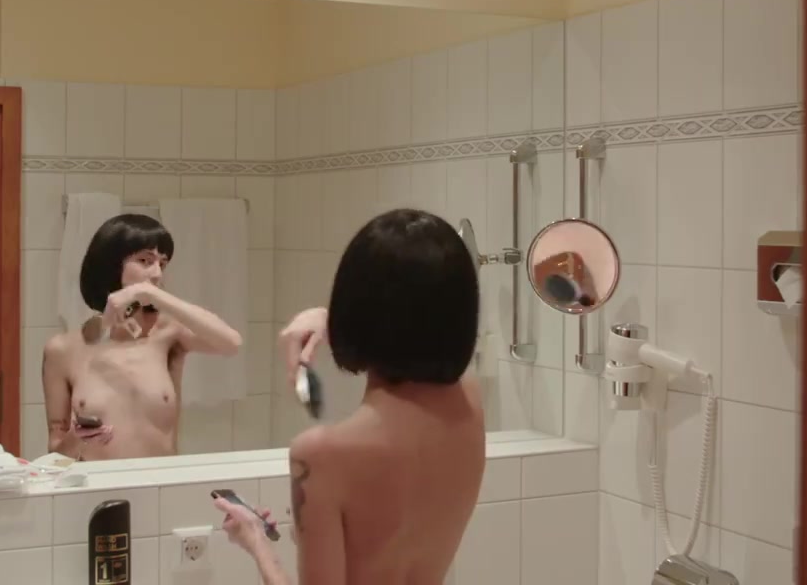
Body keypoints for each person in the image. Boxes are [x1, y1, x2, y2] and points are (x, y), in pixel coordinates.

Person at [214, 208, 486, 584]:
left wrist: (256, 541)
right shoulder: (470, 403)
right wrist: (334, 319)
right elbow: (423, 321)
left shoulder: (323, 453)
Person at [43, 214, 242, 460]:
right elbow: (55, 452)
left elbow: (231, 343)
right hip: (95, 481)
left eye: (162, 264)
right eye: (145, 261)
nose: (157, 273)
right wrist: (78, 438)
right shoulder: (63, 349)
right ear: (111, 264)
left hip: (160, 480)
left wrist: (154, 295)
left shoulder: (168, 333)